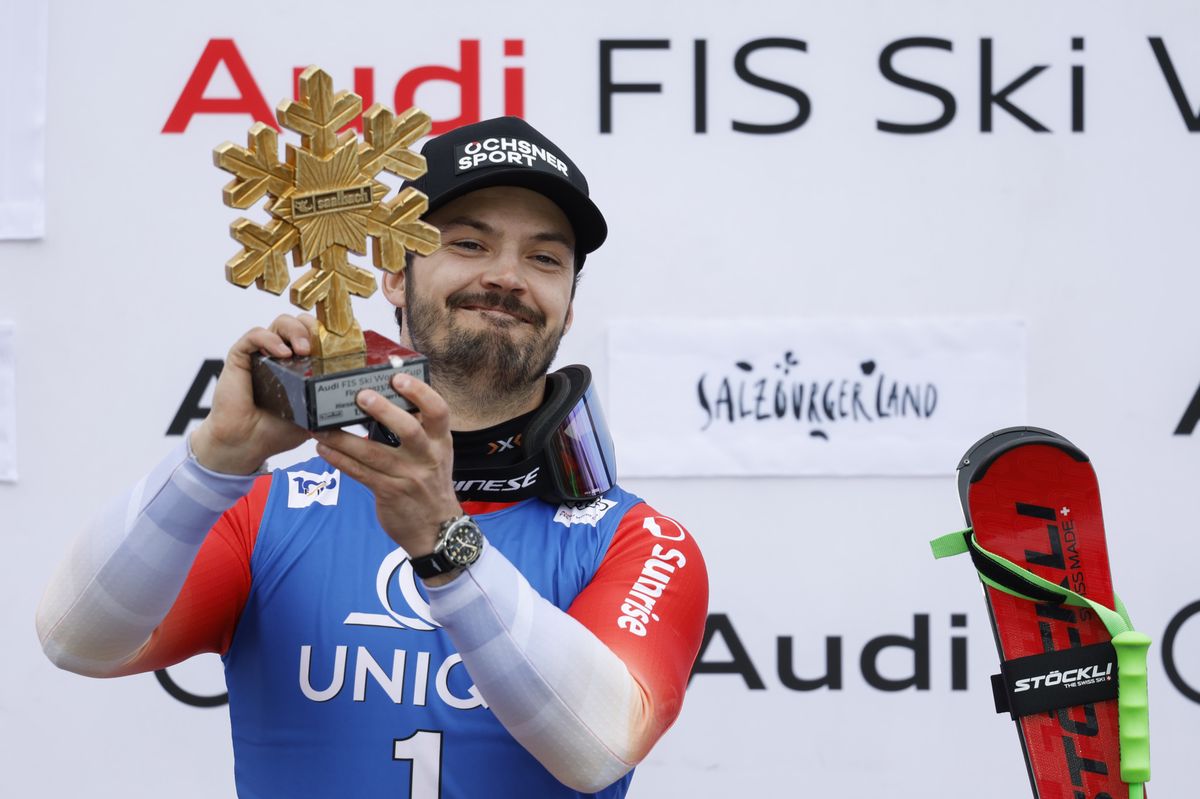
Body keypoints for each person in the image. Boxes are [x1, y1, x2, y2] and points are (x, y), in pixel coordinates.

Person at [36, 116, 709, 798]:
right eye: (469, 242)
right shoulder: (268, 510)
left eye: (544, 258)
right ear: (394, 273)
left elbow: (598, 746)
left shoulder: (640, 542)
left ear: (567, 307)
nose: (506, 276)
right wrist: (212, 463)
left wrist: (446, 543)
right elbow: (77, 639)